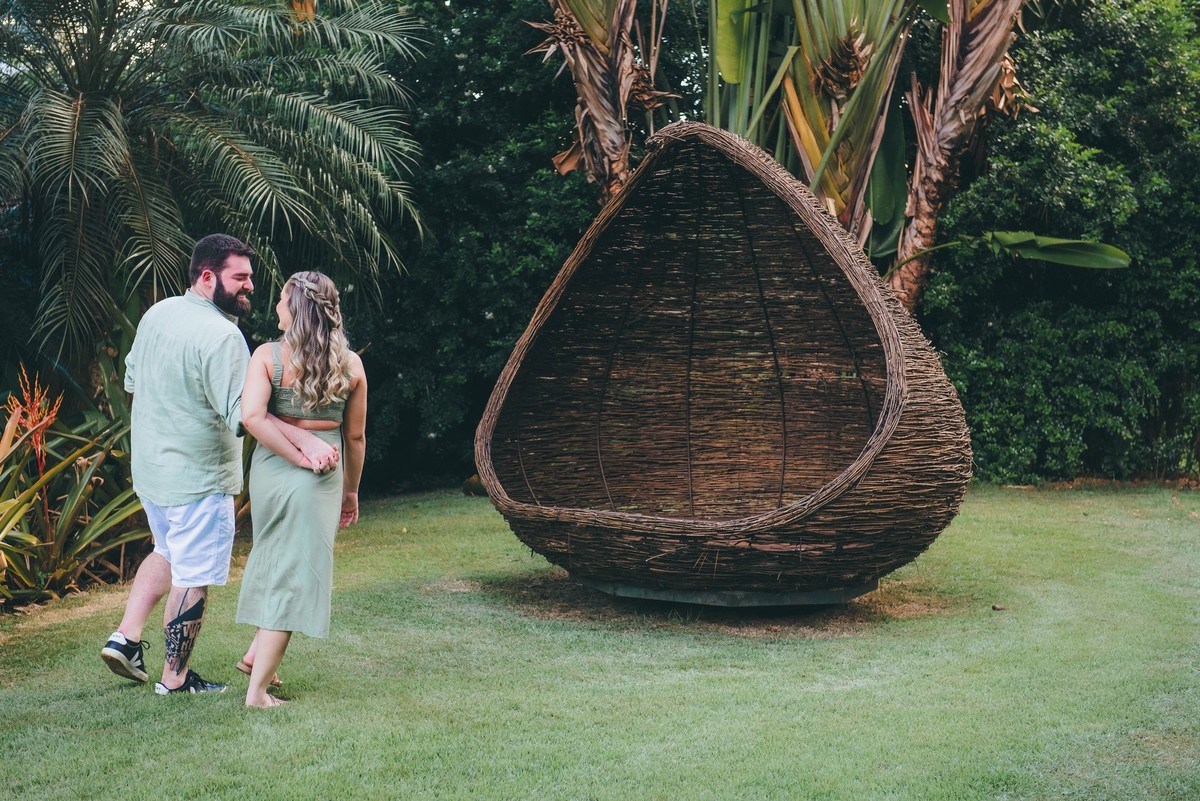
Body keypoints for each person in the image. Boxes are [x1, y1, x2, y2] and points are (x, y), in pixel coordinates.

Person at [100, 234, 339, 695]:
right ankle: (175, 679)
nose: (250, 286)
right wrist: (305, 439)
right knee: (193, 576)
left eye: (250, 277)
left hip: (152, 470)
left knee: (167, 551)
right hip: (198, 477)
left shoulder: (157, 313)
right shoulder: (224, 336)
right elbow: (247, 415)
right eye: (240, 277)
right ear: (207, 277)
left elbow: (132, 380)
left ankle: (126, 638)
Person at [235, 271, 367, 708]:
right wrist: (348, 489)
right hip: (319, 472)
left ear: (297, 310)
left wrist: (291, 455)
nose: (274, 306)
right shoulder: (350, 365)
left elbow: (253, 418)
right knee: (295, 575)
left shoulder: (267, 356)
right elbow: (354, 439)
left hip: (269, 469)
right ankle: (257, 695)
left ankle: (258, 656)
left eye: (281, 299)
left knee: (278, 556)